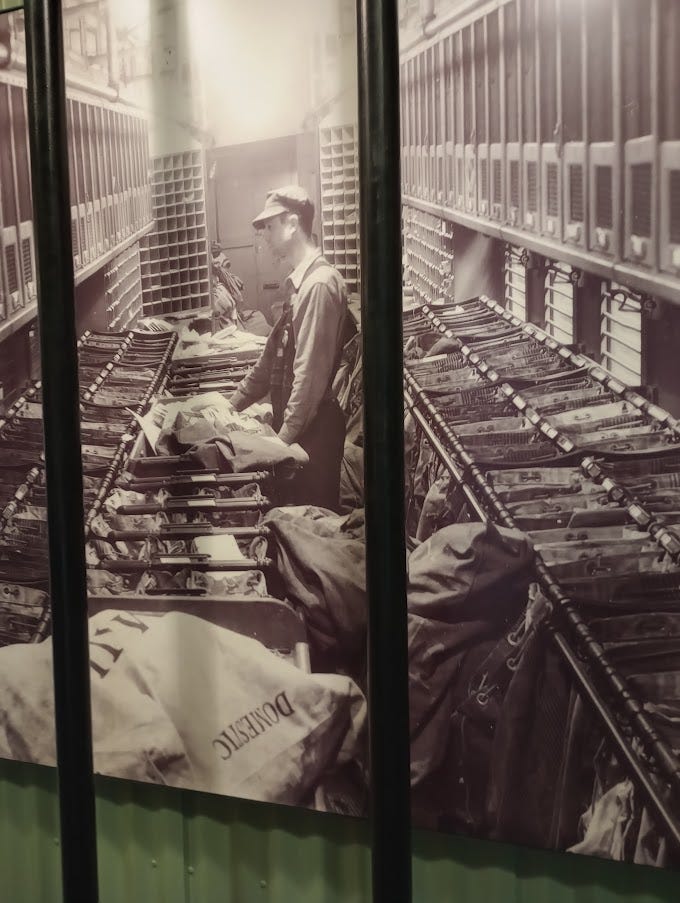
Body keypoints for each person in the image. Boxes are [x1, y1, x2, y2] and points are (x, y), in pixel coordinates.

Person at [229, 185, 353, 512]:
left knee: (309, 521)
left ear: (293, 223)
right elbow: (271, 359)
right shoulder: (301, 283)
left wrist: (280, 444)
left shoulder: (319, 285)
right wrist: (230, 408)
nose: (265, 236)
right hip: (301, 429)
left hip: (315, 434)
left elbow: (309, 379)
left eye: (270, 226)